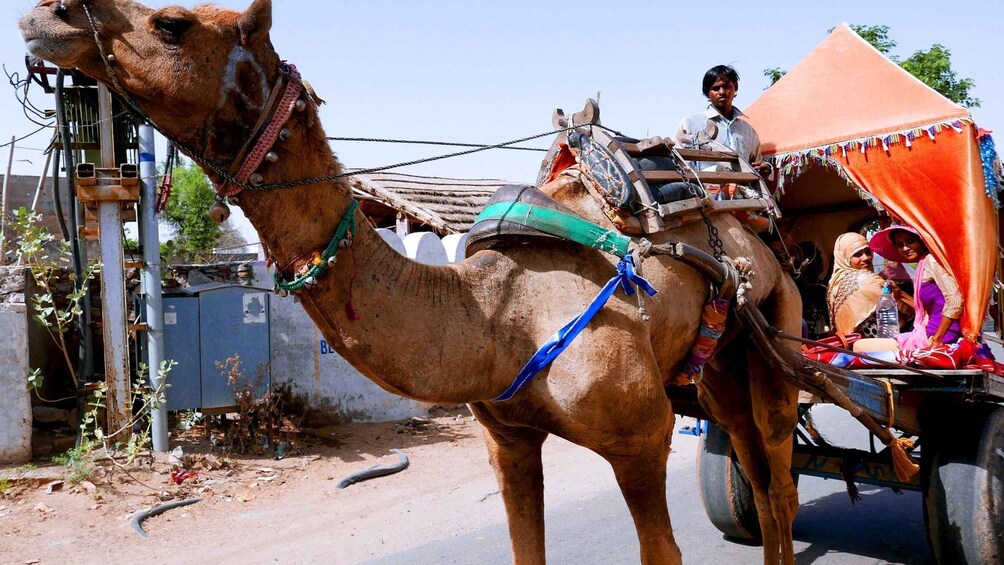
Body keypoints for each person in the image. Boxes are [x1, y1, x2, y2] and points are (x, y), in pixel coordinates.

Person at [870, 225, 963, 348]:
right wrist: (899, 294)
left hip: (941, 336)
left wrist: (936, 340)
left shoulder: (931, 260)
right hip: (928, 332)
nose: (905, 248)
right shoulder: (922, 263)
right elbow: (922, 308)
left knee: (859, 347)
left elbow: (955, 301)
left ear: (921, 240)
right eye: (899, 245)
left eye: (910, 241)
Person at [673, 64, 771, 176]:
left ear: (735, 86)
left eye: (726, 86)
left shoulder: (748, 131)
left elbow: (756, 163)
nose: (722, 92)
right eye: (715, 88)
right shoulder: (690, 123)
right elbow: (675, 160)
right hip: (704, 191)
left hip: (743, 191)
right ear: (707, 93)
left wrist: (765, 168)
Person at [827, 232, 911, 337]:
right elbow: (908, 310)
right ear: (845, 257)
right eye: (857, 254)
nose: (866, 258)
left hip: (850, 344)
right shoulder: (868, 280)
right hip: (878, 344)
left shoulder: (835, 282)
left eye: (867, 252)